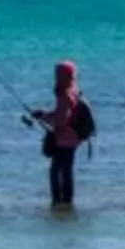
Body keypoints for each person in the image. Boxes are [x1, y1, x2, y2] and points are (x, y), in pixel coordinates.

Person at [28, 59, 89, 208]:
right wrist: (44, 114)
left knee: (57, 172)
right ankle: (67, 204)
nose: (55, 77)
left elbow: (61, 119)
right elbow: (61, 115)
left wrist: (43, 117)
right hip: (73, 138)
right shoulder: (74, 91)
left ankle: (59, 203)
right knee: (66, 171)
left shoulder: (65, 94)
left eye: (57, 74)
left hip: (65, 140)